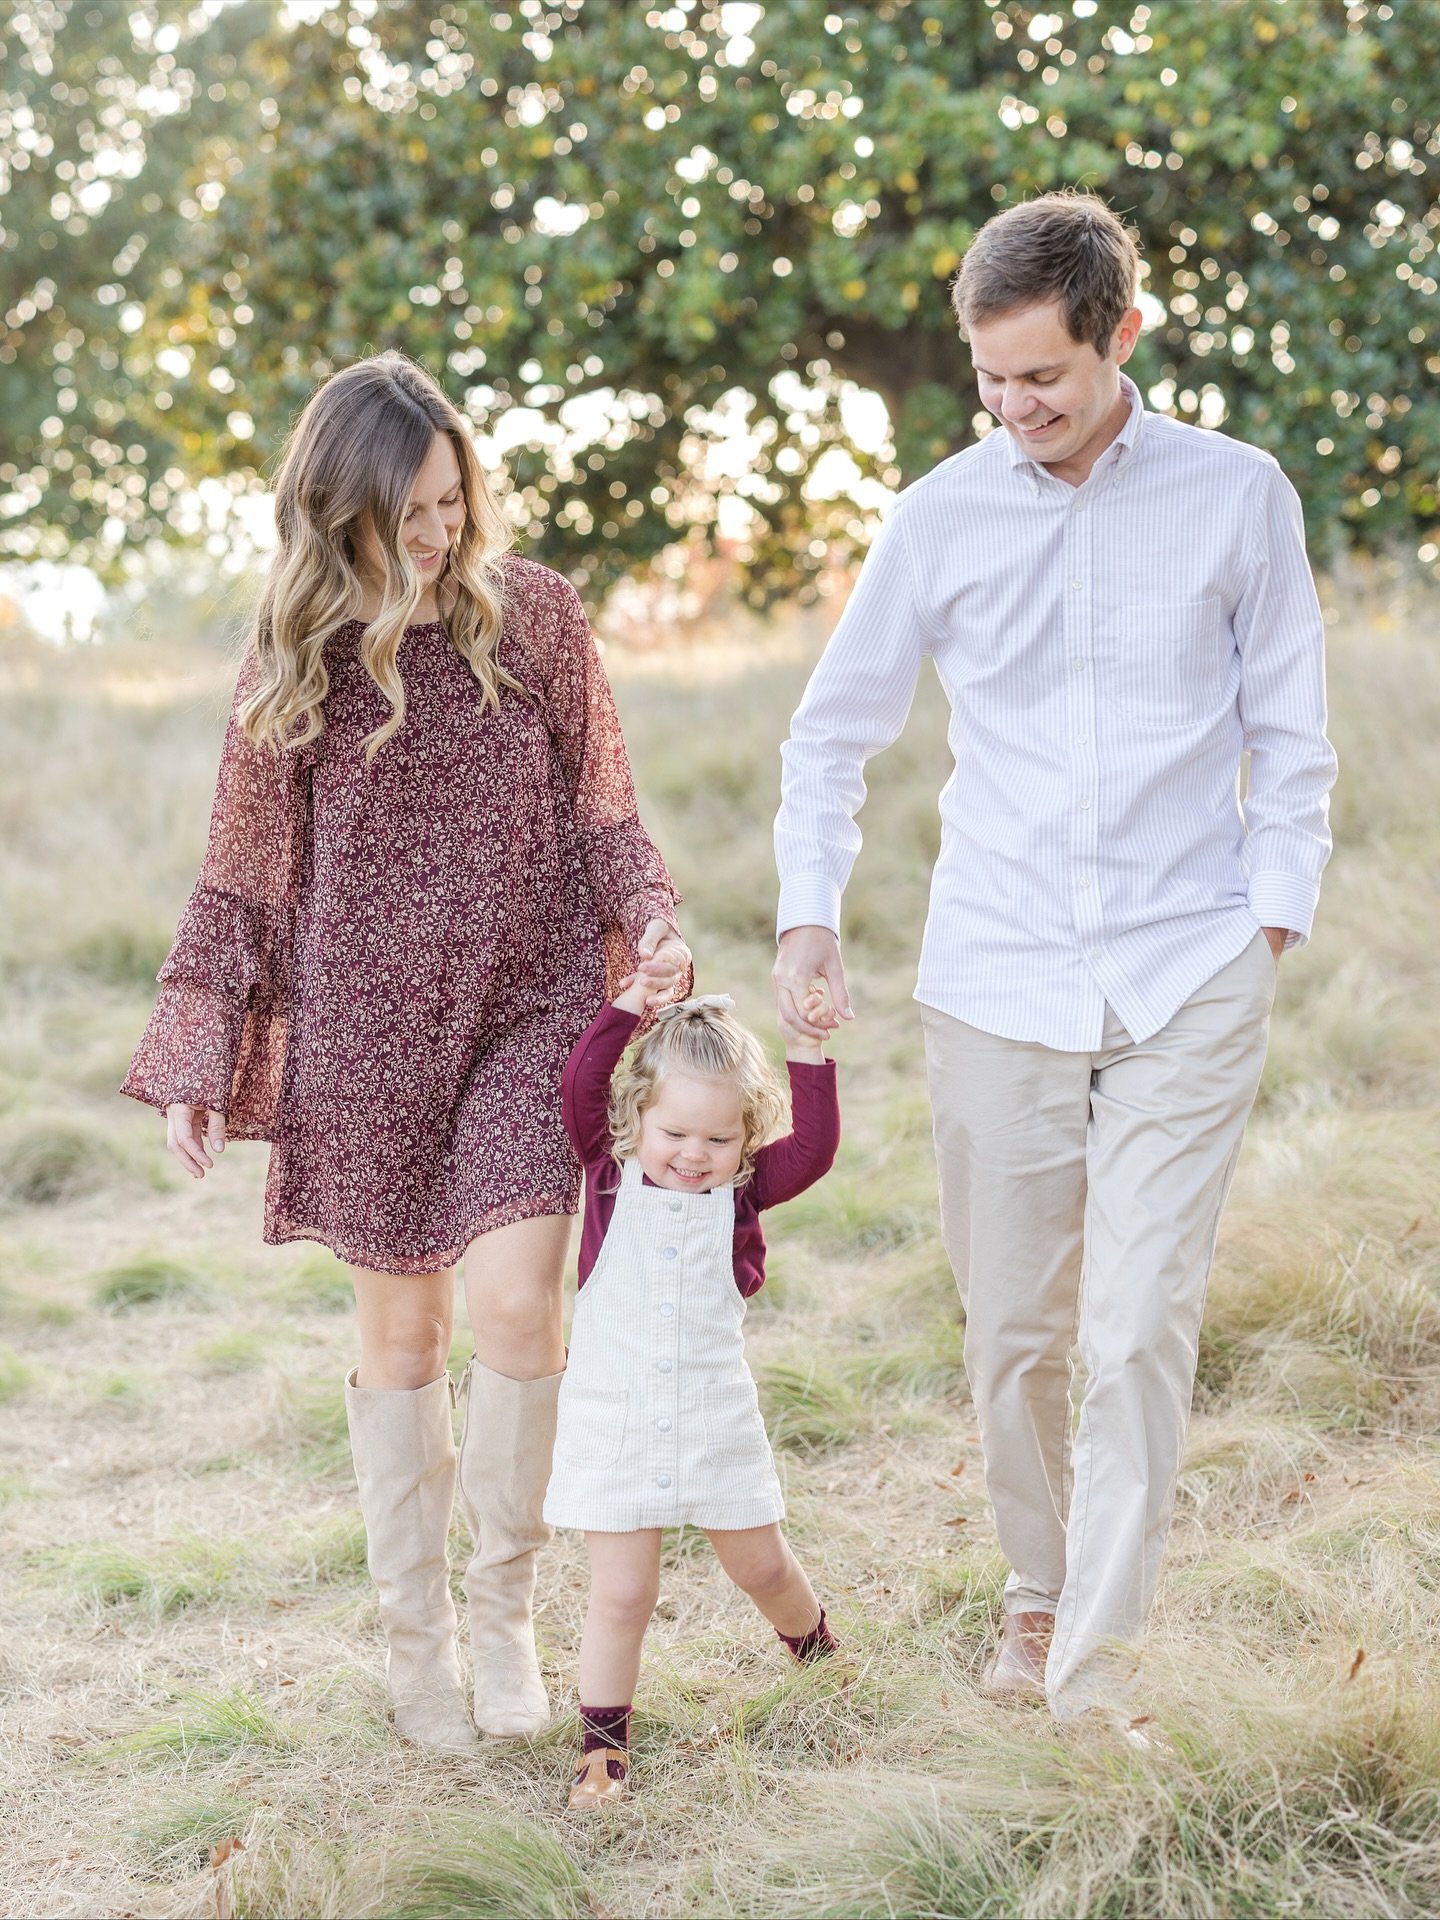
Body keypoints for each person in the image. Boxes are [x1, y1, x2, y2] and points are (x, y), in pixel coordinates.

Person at [772, 191, 1337, 1730]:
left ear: (1123, 338)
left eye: (1049, 381)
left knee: (1139, 1319)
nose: (1018, 410)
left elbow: (1293, 734)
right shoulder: (939, 516)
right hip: (997, 973)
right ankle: (1037, 1586)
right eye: (995, 382)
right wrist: (808, 910)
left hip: (1187, 966)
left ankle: (1095, 1668)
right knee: (1015, 1329)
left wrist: (1270, 912)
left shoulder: (1240, 497)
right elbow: (834, 735)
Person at [122, 350, 690, 1752]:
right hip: (364, 1037)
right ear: (341, 516)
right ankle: (416, 1637)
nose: (441, 534)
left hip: (528, 1007)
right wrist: (200, 1053)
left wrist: (655, 920)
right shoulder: (294, 658)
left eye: (454, 500)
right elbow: (244, 874)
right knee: (403, 1334)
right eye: (411, 513)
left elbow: (604, 810)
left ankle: (502, 1613)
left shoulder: (537, 618)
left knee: (512, 1311)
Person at [545, 975, 842, 1807]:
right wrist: (630, 1004)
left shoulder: (741, 1192)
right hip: (616, 1419)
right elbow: (580, 1081)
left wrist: (809, 1052)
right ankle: (602, 1750)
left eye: (718, 1138)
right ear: (635, 1119)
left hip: (713, 1415)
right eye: (673, 1131)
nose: (692, 1154)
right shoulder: (608, 1178)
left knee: (761, 1564)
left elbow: (813, 1150)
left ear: (744, 1140)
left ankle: (821, 1660)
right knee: (624, 1591)